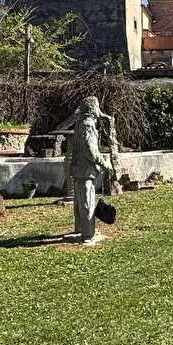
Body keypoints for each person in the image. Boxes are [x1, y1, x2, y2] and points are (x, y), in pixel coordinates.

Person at [69, 96, 112, 245]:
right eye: (98, 108)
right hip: (85, 171)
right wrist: (105, 163)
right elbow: (91, 152)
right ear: (92, 109)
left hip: (78, 170)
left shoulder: (79, 124)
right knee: (87, 203)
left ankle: (80, 229)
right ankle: (88, 235)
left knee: (80, 202)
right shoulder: (88, 125)